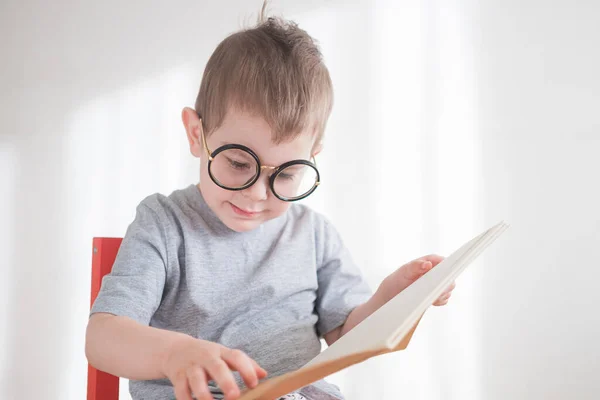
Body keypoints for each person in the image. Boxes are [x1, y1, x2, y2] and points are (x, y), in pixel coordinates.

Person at [85, 3, 455, 400]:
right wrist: (173, 352)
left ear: (313, 155)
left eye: (287, 173)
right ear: (197, 135)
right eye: (239, 163)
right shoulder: (163, 224)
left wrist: (393, 297)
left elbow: (347, 336)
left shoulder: (313, 235)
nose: (258, 193)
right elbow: (103, 338)